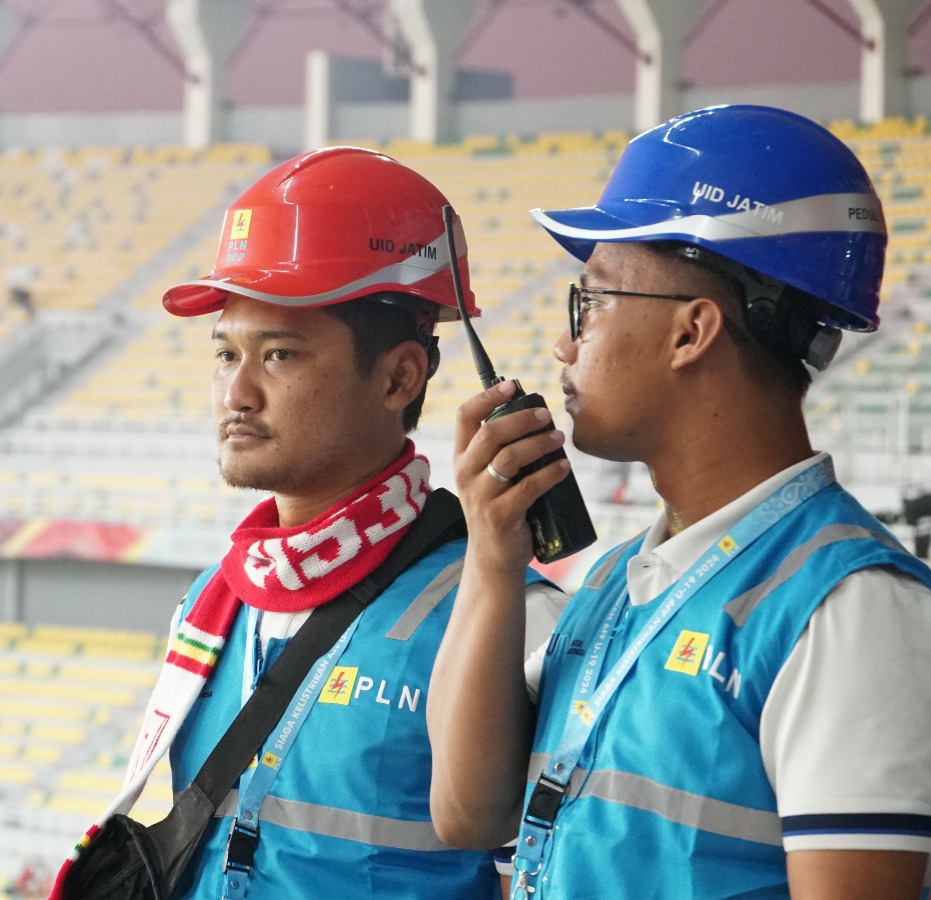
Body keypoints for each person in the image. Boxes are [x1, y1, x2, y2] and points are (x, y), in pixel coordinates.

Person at [427, 104, 931, 900]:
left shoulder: (849, 606)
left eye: (590, 302)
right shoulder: (618, 581)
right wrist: (493, 557)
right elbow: (467, 813)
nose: (565, 343)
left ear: (691, 332)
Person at [49, 147, 563, 899]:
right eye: (225, 355)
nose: (238, 393)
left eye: (280, 355)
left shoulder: (514, 615)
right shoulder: (210, 603)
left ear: (400, 376)